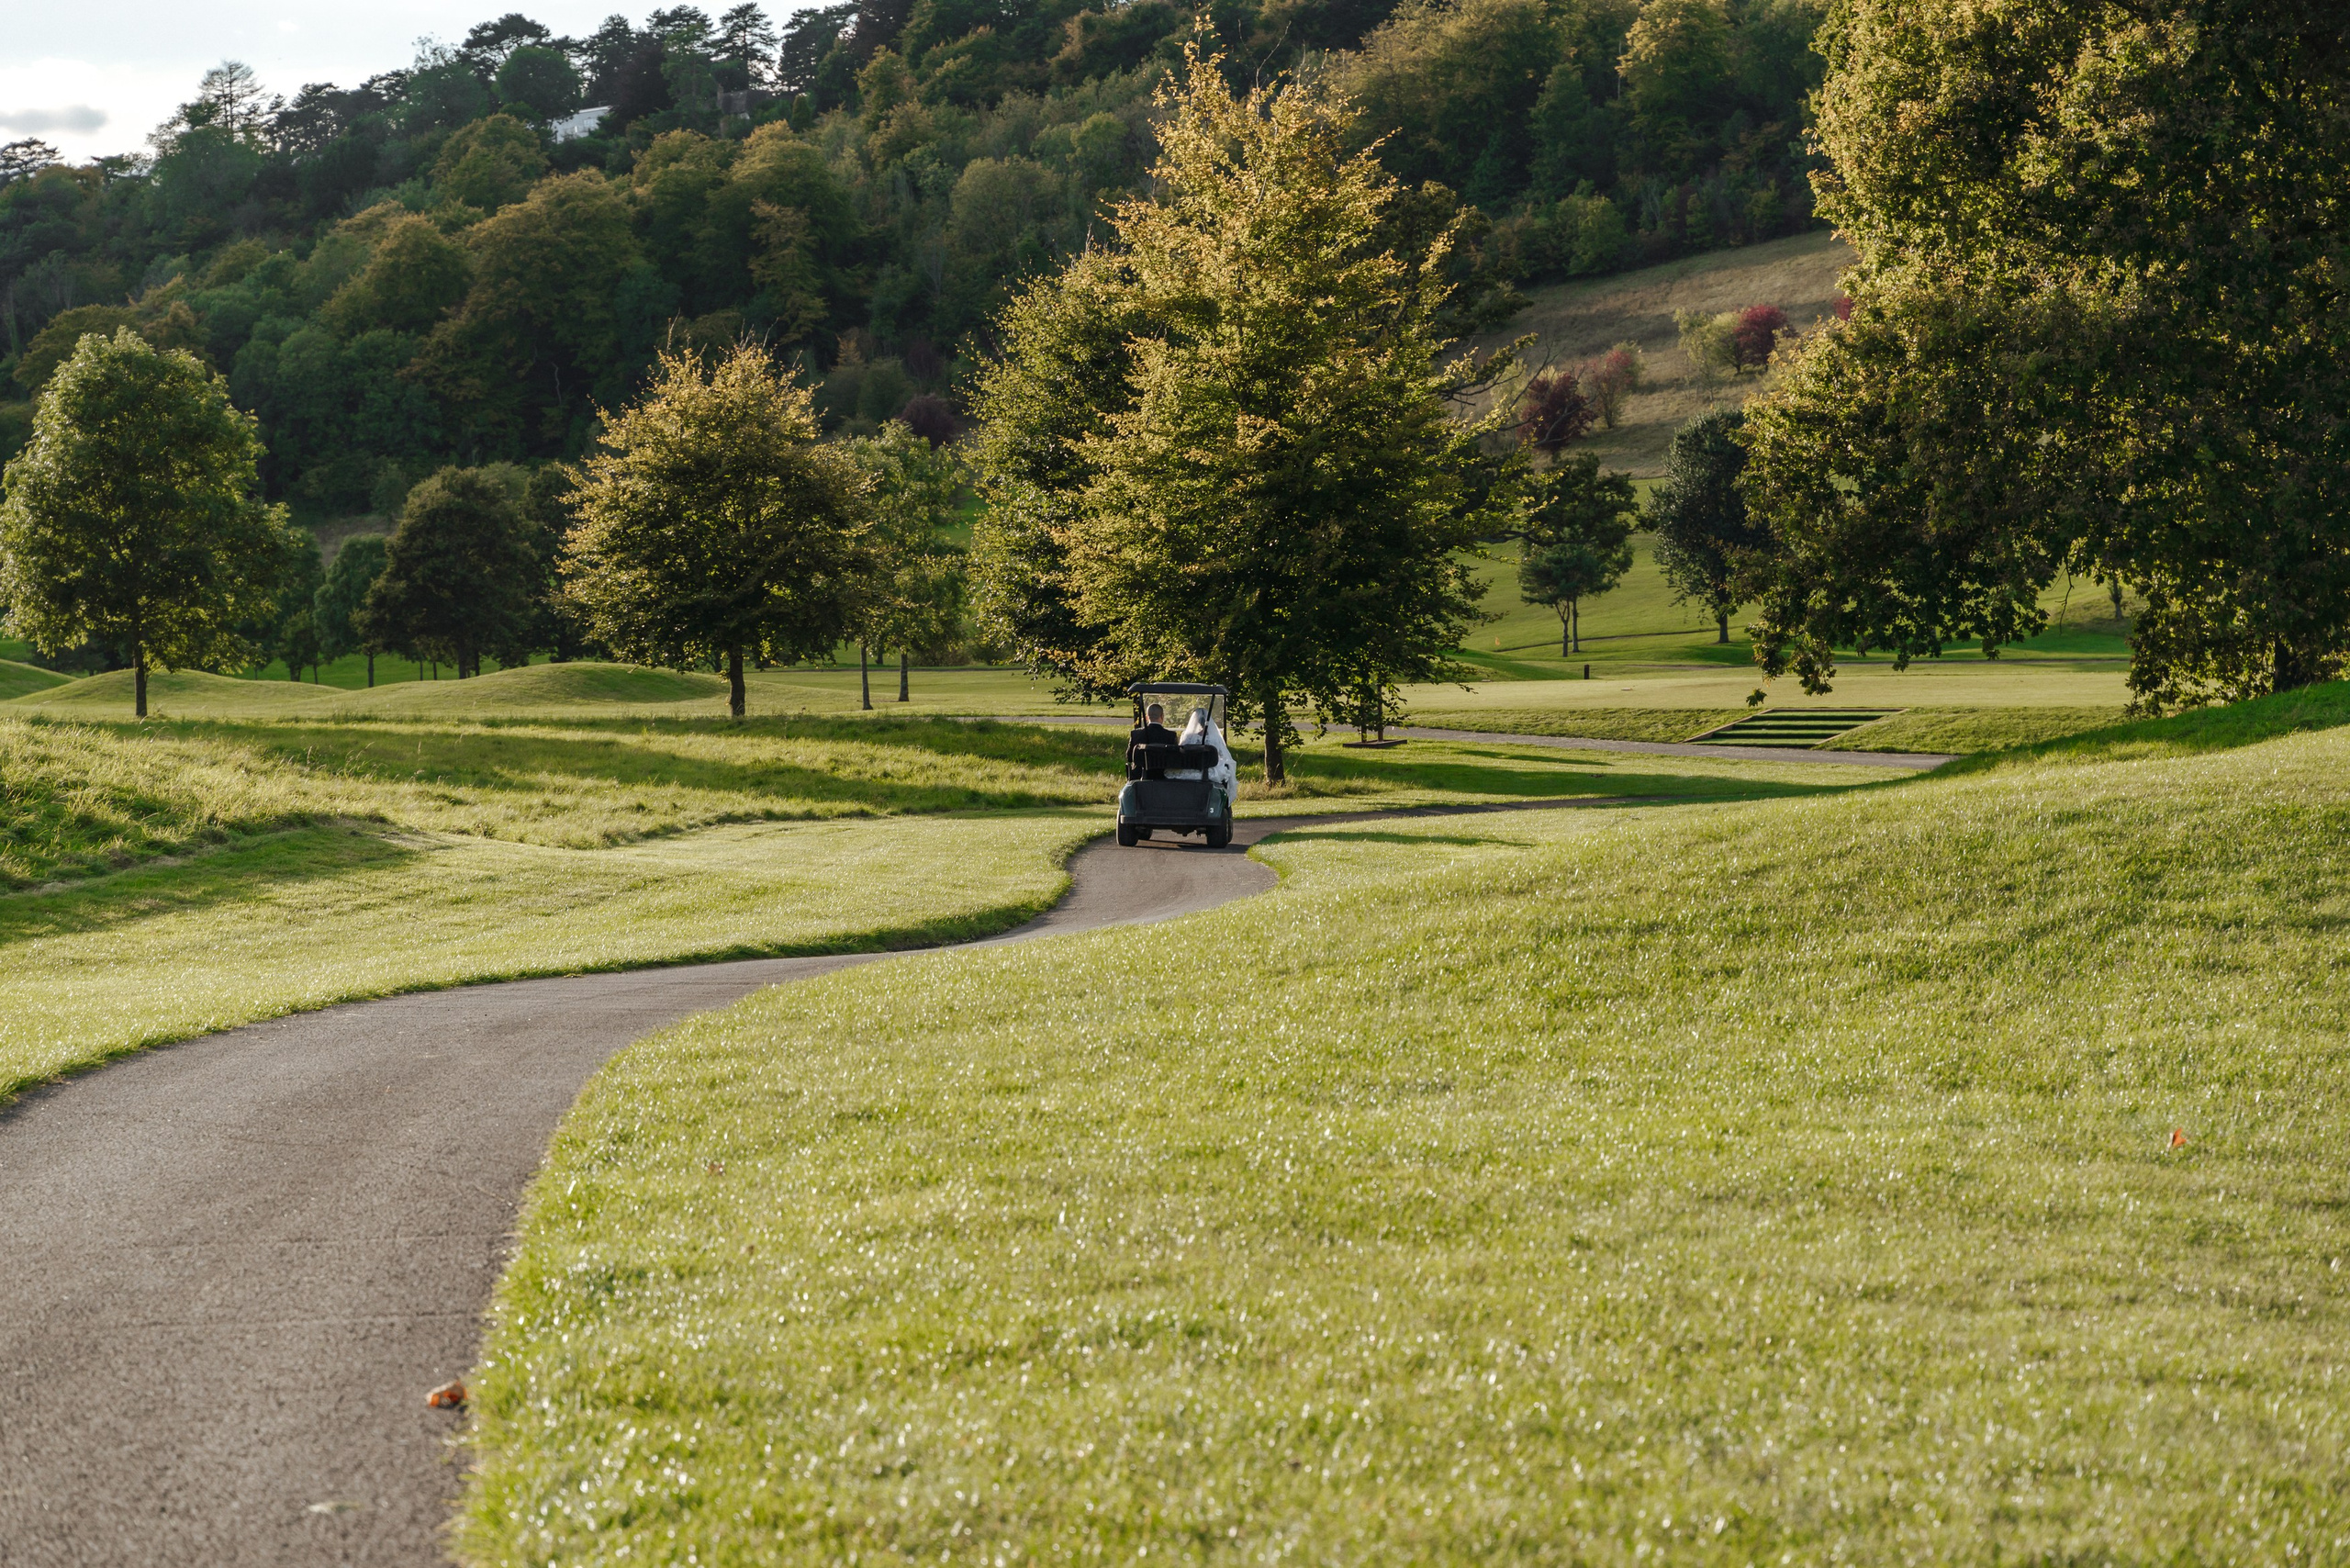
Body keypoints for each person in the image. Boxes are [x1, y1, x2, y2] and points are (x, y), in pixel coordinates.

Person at [1128, 701, 1177, 776]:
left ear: (1147, 717)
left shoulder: (1135, 734)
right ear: (1162, 716)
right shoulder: (1171, 736)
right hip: (1162, 776)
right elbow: (1173, 759)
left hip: (1140, 776)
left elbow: (1129, 757)